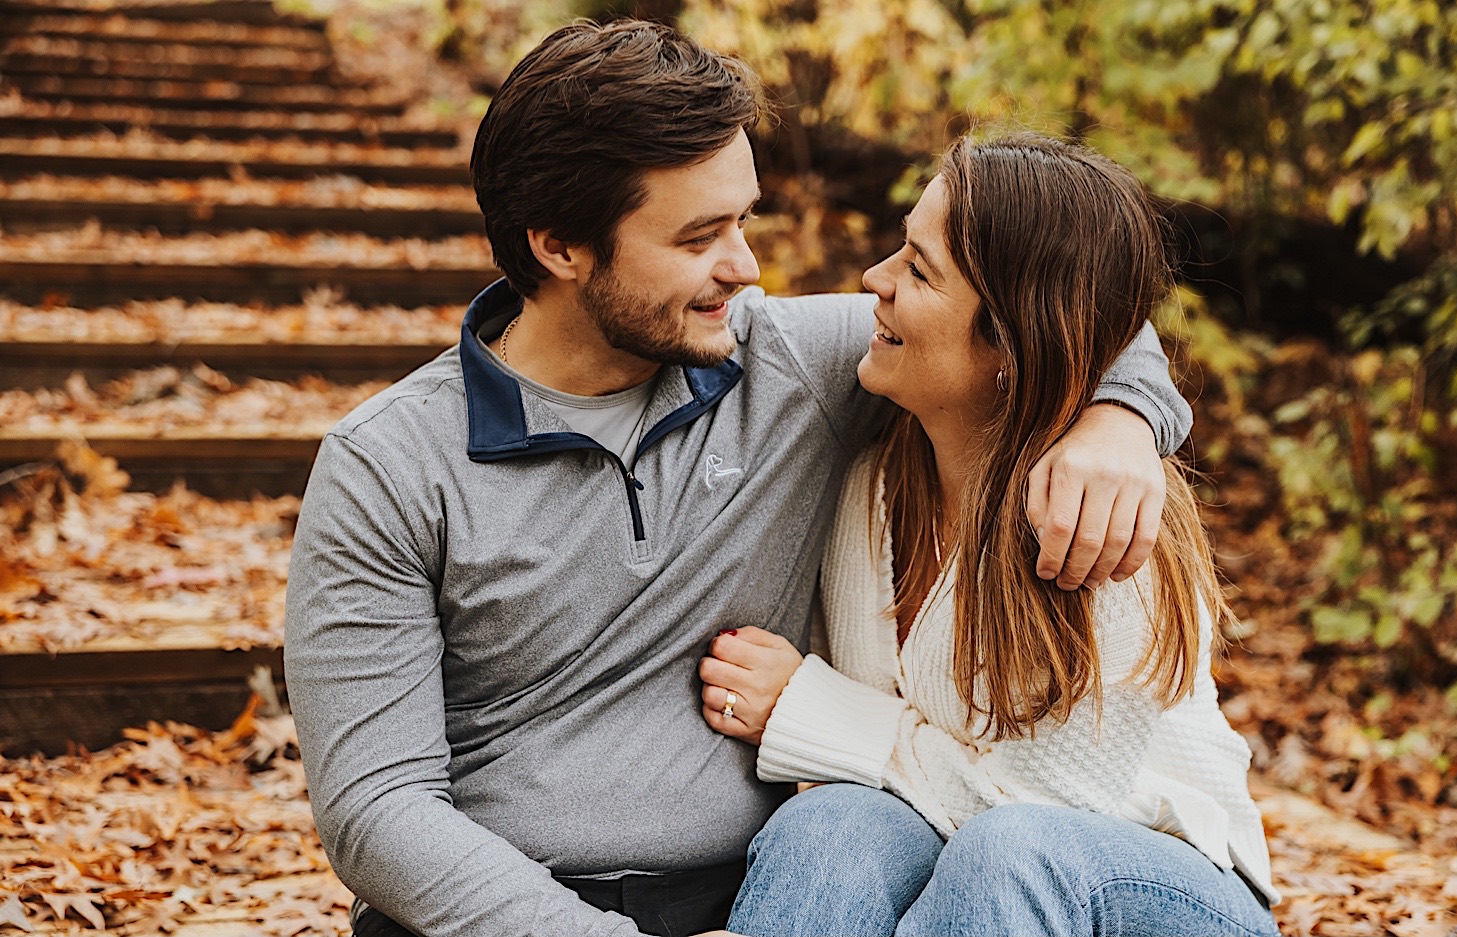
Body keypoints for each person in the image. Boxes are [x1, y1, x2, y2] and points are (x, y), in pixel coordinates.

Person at [283, 21, 1195, 937]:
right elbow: (375, 810)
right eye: (698, 237)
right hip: (484, 915)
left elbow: (1049, 301)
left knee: (840, 833)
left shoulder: (789, 367)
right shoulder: (390, 465)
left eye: (743, 220)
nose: (745, 268)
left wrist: (1119, 417)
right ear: (560, 246)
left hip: (759, 899)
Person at [697, 132, 1281, 937]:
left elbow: (1041, 801)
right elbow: (885, 782)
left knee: (1012, 848)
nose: (874, 280)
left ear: (1009, 340)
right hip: (965, 881)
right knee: (827, 827)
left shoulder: (1103, 525)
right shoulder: (870, 486)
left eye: (918, 268)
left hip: (1158, 886)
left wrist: (810, 707)